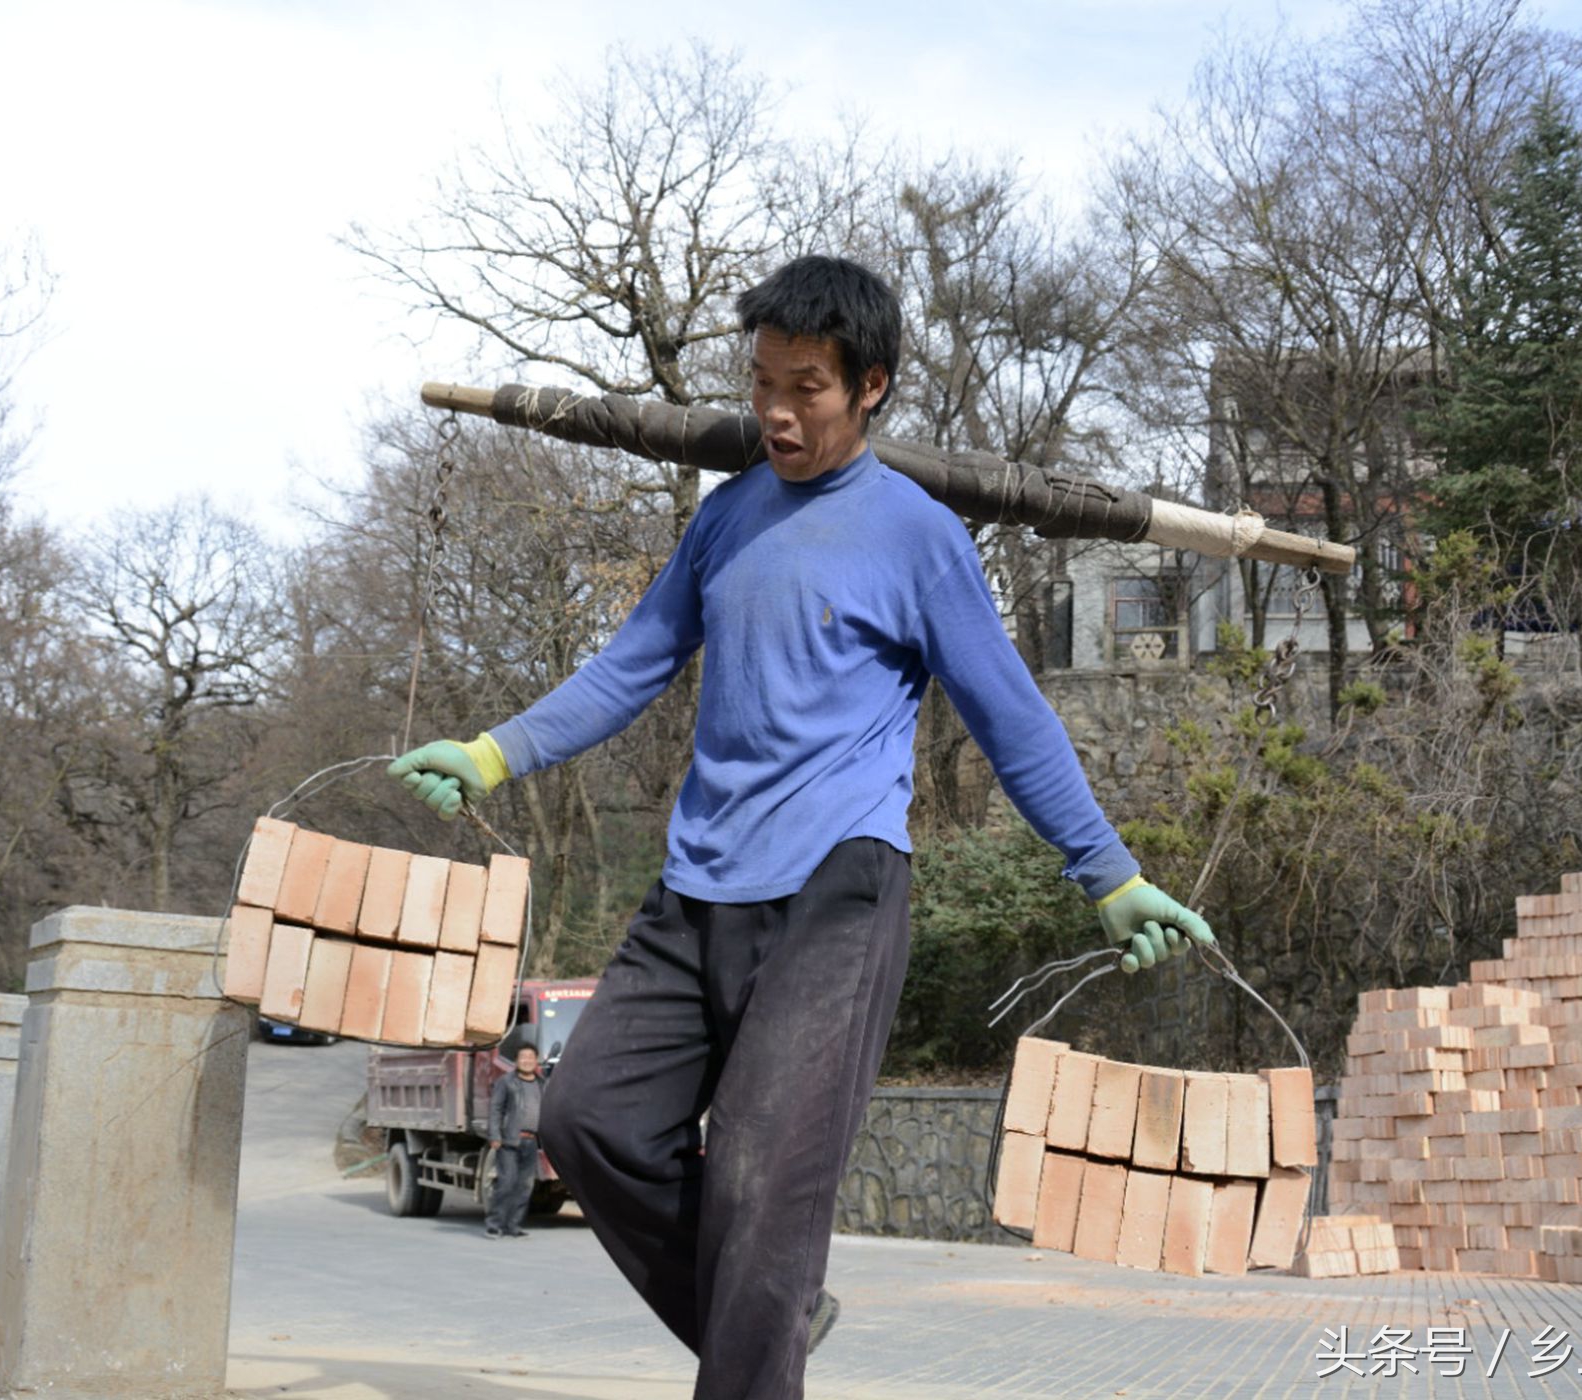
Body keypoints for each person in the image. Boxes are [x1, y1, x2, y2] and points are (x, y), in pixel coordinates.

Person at [390, 254, 1214, 1400]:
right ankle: (771, 1313)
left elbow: (1012, 715)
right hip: (695, 888)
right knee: (587, 1121)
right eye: (764, 382)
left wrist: (1108, 871)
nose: (776, 411)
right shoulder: (726, 519)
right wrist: (490, 750)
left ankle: (759, 1330)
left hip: (838, 891)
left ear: (870, 386)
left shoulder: (919, 536)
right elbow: (631, 663)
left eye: (807, 388)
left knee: (761, 1184)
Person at [483, 1042, 545, 1240]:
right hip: (509, 1140)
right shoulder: (506, 1082)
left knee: (525, 1186)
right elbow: (496, 1109)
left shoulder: (541, 1084)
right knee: (507, 1183)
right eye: (523, 1057)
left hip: (531, 1141)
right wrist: (494, 1135)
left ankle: (513, 1225)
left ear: (536, 1061)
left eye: (530, 1057)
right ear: (516, 1061)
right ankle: (494, 1225)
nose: (527, 1060)